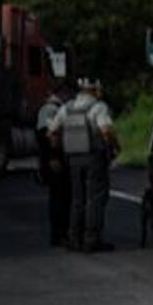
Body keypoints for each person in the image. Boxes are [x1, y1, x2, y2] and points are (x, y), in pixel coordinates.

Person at [47, 76, 118, 252]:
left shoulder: (67, 108)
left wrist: (58, 151)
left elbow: (51, 132)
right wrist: (115, 147)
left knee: (77, 199)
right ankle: (91, 239)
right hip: (94, 157)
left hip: (73, 158)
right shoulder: (98, 107)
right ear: (94, 89)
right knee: (94, 198)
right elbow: (106, 130)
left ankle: (74, 238)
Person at [34, 86, 73, 247]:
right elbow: (48, 135)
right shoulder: (49, 109)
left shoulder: (57, 109)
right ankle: (58, 234)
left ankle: (62, 233)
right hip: (53, 161)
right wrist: (53, 157)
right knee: (59, 198)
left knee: (64, 198)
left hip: (58, 159)